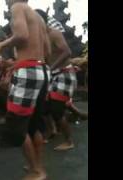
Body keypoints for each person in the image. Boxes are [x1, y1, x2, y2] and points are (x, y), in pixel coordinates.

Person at [0, 1, 51, 179]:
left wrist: (2, 44)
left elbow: (21, 35)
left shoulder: (17, 7)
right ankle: (36, 165)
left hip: (29, 71)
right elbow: (48, 50)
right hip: (42, 69)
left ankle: (37, 171)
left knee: (17, 125)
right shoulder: (38, 17)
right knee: (34, 123)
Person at [36, 9, 78, 151]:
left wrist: (51, 67)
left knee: (57, 109)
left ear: (42, 20)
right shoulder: (40, 37)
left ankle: (69, 140)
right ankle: (51, 130)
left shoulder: (54, 33)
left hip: (64, 74)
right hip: (52, 74)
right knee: (44, 106)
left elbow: (67, 52)